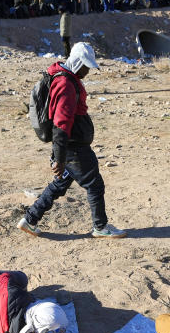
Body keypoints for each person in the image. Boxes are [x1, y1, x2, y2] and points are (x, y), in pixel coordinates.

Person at [17, 43, 126, 239]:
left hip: (68, 147)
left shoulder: (66, 78)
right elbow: (61, 123)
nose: (87, 71)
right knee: (95, 185)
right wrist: (59, 157)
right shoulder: (66, 84)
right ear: (77, 62)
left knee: (60, 184)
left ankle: (29, 219)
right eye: (85, 66)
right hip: (73, 147)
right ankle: (101, 227)